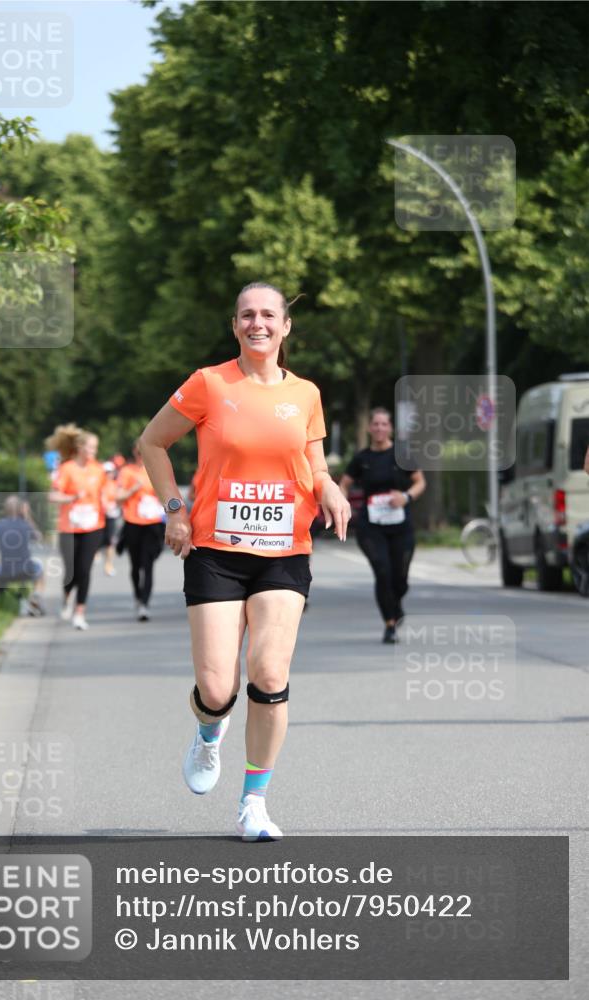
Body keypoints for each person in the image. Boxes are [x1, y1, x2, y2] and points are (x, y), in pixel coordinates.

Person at [139, 281, 351, 841]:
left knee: (270, 671)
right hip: (214, 550)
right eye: (246, 315)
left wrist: (328, 488)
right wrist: (175, 508)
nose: (258, 323)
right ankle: (210, 733)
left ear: (285, 327)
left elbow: (315, 462)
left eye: (268, 315)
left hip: (284, 550)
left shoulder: (305, 393)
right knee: (215, 688)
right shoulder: (209, 384)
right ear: (235, 326)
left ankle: (254, 802)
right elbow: (151, 443)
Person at [339, 408, 426, 644]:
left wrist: (406, 497)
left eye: (383, 424)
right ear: (369, 428)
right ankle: (390, 624)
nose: (379, 428)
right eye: (375, 424)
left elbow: (419, 482)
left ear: (390, 428)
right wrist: (343, 504)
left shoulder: (402, 454)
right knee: (383, 571)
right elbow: (344, 484)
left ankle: (395, 606)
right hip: (371, 526)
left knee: (400, 577)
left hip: (400, 525)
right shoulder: (362, 459)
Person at [47, 424, 108, 630]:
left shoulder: (98, 470)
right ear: (80, 447)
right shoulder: (67, 469)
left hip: (93, 526)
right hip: (69, 527)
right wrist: (71, 497)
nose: (94, 452)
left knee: (85, 569)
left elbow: (107, 493)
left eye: (96, 448)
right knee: (71, 571)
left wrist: (109, 500)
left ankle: (80, 611)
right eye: (91, 447)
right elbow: (52, 495)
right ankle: (66, 597)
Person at [116, 441, 166, 620]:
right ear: (135, 452)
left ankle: (145, 604)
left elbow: (167, 494)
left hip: (153, 524)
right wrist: (133, 489)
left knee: (148, 564)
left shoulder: (157, 470)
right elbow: (118, 497)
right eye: (139, 452)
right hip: (132, 522)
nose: (141, 455)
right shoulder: (127, 472)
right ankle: (138, 596)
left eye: (144, 451)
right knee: (135, 566)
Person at [0, 495, 45, 614]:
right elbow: (39, 537)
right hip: (26, 570)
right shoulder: (26, 525)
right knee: (40, 571)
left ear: (5, 509)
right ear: (20, 509)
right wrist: (27, 516)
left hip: (5, 572)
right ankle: (35, 598)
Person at [100, 461, 120, 576]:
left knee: (110, 542)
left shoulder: (115, 484)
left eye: (110, 472)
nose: (108, 474)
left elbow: (119, 499)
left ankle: (108, 565)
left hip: (111, 515)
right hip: (99, 516)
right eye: (106, 472)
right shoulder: (99, 484)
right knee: (98, 541)